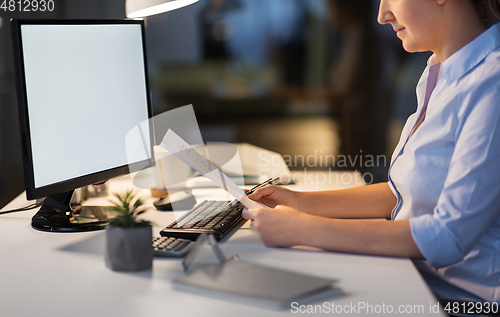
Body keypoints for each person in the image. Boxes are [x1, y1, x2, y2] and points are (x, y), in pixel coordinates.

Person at [243, 0, 500, 304]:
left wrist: (307, 230)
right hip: (416, 283)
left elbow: (449, 237)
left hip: (461, 305)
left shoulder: (491, 83)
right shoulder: (441, 71)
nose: (382, 15)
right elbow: (402, 192)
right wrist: (300, 203)